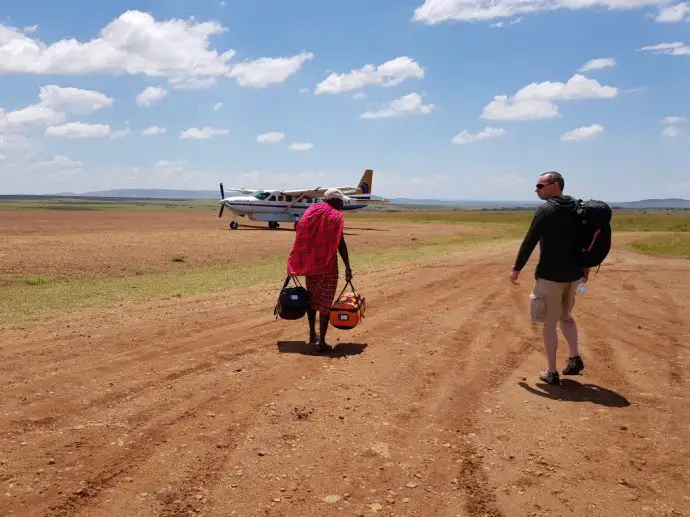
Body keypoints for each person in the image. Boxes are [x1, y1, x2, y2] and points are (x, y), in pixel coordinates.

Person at [510, 171, 588, 385]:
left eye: (540, 186)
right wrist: (585, 268)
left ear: (555, 185)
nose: (536, 190)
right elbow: (586, 239)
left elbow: (530, 239)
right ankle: (574, 357)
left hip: (550, 276)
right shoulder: (577, 206)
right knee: (567, 317)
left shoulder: (546, 210)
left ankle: (551, 371)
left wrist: (517, 268)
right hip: (573, 275)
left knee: (549, 324)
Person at [287, 188, 353, 352]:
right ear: (335, 200)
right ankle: (322, 342)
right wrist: (347, 266)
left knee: (312, 298)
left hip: (311, 264)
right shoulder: (335, 216)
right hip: (328, 265)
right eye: (341, 201)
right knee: (325, 302)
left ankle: (312, 333)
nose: (342, 204)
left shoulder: (311, 211)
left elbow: (300, 232)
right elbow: (341, 243)